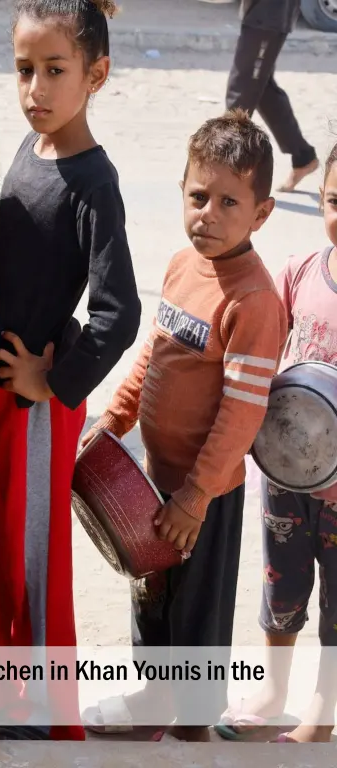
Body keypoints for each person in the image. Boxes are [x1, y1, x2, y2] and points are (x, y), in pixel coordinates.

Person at [0, 0, 141, 741]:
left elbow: (119, 313)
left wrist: (52, 384)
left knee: (34, 559)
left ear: (96, 74)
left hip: (35, 407)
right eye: (24, 70)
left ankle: (39, 713)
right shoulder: (29, 153)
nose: (35, 89)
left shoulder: (94, 183)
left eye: (55, 71)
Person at [83, 111, 288, 742]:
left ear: (262, 213)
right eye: (198, 196)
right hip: (154, 480)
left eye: (230, 202)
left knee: (197, 613)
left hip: (205, 497)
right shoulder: (180, 265)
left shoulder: (253, 301)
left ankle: (193, 729)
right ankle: (152, 699)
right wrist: (113, 421)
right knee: (151, 595)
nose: (209, 213)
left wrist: (196, 497)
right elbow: (155, 355)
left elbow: (241, 412)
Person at [214, 141, 337, 745]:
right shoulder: (298, 274)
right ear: (320, 201)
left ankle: (324, 705)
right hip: (284, 471)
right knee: (280, 584)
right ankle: (273, 687)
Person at [227, 0, 318, 192]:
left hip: (269, 14)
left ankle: (226, 165)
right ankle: (303, 156)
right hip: (260, 13)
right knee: (262, 89)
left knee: (242, 89)